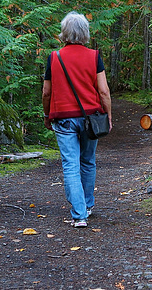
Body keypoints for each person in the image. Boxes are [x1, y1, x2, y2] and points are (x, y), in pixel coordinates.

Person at [42, 12, 112, 228]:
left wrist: (47, 115)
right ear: (85, 33)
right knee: (88, 161)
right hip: (91, 118)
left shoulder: (54, 57)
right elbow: (103, 92)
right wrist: (108, 115)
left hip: (63, 119)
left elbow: (46, 92)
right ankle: (88, 206)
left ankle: (79, 215)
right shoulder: (94, 56)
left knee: (70, 164)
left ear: (64, 33)